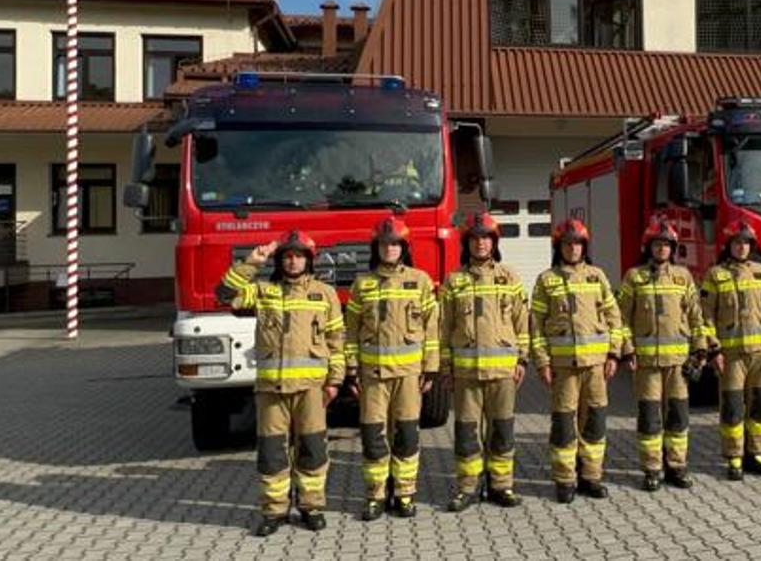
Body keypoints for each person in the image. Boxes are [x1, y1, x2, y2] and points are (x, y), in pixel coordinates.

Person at [217, 231, 345, 537]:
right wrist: (251, 263)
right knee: (272, 453)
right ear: (280, 261)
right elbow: (224, 294)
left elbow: (336, 340)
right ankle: (274, 511)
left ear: (309, 260)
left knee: (312, 450)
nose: (292, 261)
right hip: (271, 390)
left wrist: (335, 381)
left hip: (311, 389)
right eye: (287, 256)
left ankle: (311, 507)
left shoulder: (325, 294)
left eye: (299, 256)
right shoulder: (264, 291)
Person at [343, 215, 440, 521]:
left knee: (407, 436)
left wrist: (431, 369)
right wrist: (351, 371)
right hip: (372, 376)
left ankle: (405, 494)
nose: (389, 249)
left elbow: (432, 329)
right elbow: (351, 332)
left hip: (409, 375)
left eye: (395, 244)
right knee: (373, 437)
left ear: (404, 248)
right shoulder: (362, 285)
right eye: (384, 244)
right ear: (376, 248)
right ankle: (375, 496)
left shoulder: (420, 281)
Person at [529, 217, 626, 503]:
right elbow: (536, 326)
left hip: (596, 366)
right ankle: (564, 480)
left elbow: (614, 318)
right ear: (558, 247)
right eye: (567, 244)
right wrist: (542, 362)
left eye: (578, 244)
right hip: (563, 369)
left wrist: (613, 353)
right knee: (563, 424)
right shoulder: (546, 280)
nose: (573, 249)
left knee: (594, 422)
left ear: (585, 247)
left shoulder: (597, 276)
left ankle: (591, 477)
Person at [439, 213, 529, 512]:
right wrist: (446, 367)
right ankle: (468, 488)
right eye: (475, 239)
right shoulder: (454, 281)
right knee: (466, 434)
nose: (481, 244)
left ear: (494, 243)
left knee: (502, 431)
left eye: (486, 238)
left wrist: (523, 360)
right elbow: (443, 328)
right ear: (467, 243)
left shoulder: (510, 277)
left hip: (503, 372)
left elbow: (522, 324)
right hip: (466, 374)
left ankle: (501, 486)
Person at [617, 216, 704, 491]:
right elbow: (621, 319)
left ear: (673, 248)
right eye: (657, 244)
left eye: (666, 245)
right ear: (648, 247)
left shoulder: (683, 277)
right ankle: (652, 469)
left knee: (678, 417)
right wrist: (627, 350)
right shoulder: (634, 277)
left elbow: (696, 316)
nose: (662, 249)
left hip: (678, 364)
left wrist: (701, 349)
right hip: (647, 364)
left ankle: (677, 467)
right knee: (650, 418)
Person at [701, 220, 761, 480]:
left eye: (746, 243)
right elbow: (705, 316)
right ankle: (734, 457)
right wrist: (714, 350)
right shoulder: (716, 275)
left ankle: (756, 453)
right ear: (729, 245)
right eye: (737, 242)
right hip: (732, 355)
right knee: (733, 407)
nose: (742, 247)